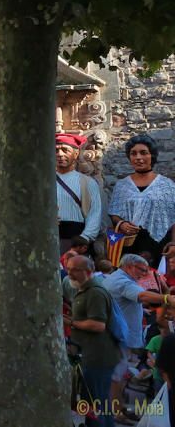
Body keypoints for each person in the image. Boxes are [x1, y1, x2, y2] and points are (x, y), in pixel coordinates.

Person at [103, 253, 171, 423]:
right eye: (141, 270)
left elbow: (142, 300)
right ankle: (116, 413)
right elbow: (142, 296)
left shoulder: (121, 279)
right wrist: (167, 298)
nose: (143, 274)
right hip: (117, 337)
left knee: (119, 373)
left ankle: (119, 409)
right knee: (116, 375)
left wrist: (163, 293)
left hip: (118, 336)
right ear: (129, 266)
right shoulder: (122, 281)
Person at [64, 255, 119, 427]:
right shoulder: (84, 290)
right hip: (89, 356)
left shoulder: (95, 292)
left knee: (95, 405)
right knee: (96, 403)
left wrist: (71, 322)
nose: (69, 273)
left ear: (88, 271)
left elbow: (98, 325)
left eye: (74, 270)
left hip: (98, 358)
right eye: (68, 268)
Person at [109, 135, 175, 266]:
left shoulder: (167, 185)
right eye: (133, 154)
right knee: (130, 281)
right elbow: (114, 212)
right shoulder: (122, 186)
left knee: (157, 282)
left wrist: (174, 243)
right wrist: (121, 223)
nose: (138, 157)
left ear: (152, 156)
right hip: (128, 243)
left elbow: (173, 218)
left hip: (159, 245)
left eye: (144, 153)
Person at [56, 133, 104, 256]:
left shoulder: (87, 182)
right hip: (49, 238)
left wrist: (84, 239)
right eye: (56, 150)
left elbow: (95, 213)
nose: (60, 154)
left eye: (65, 150)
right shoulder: (44, 182)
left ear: (76, 154)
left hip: (77, 240)